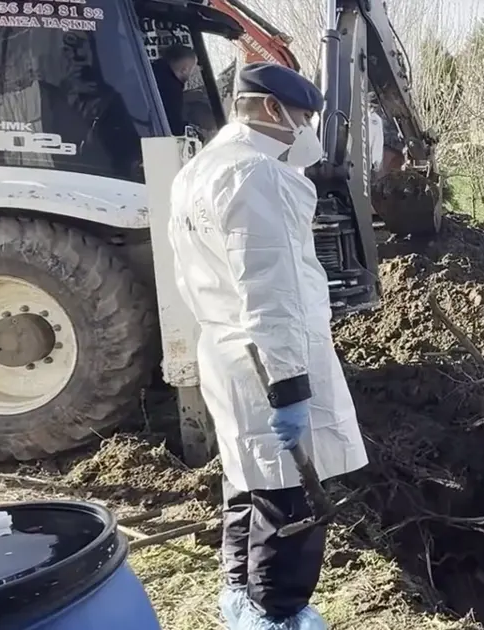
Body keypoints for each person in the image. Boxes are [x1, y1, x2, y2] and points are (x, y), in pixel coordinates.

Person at [166, 61, 368, 630]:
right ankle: (276, 614)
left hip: (226, 351)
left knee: (246, 480)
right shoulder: (260, 176)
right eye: (304, 116)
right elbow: (272, 293)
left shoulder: (198, 171)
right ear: (272, 109)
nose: (307, 129)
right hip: (266, 360)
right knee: (291, 498)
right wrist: (291, 388)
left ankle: (241, 596)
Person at [152, 44, 198, 135]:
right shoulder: (171, 89)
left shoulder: (150, 72)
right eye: (192, 69)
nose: (192, 74)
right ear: (184, 69)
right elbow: (174, 126)